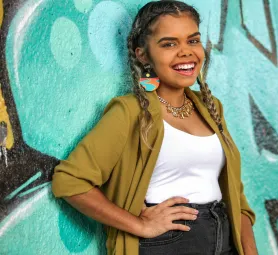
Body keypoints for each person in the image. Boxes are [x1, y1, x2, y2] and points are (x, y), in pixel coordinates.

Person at [51, 1, 257, 254]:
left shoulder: (211, 107)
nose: (186, 52)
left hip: (224, 239)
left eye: (192, 40)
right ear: (143, 55)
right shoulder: (130, 112)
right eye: (169, 44)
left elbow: (237, 196)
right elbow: (69, 181)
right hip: (168, 245)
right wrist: (139, 225)